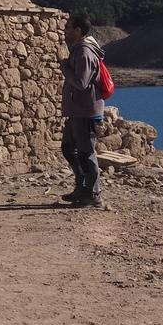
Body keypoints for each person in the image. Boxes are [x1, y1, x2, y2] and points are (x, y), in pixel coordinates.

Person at [59, 11, 106, 208]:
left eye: (68, 27)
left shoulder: (85, 52)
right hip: (77, 110)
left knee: (86, 152)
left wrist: (64, 66)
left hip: (85, 111)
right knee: (69, 148)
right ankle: (81, 187)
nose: (65, 31)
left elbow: (81, 82)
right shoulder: (79, 49)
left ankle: (92, 193)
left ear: (78, 31)